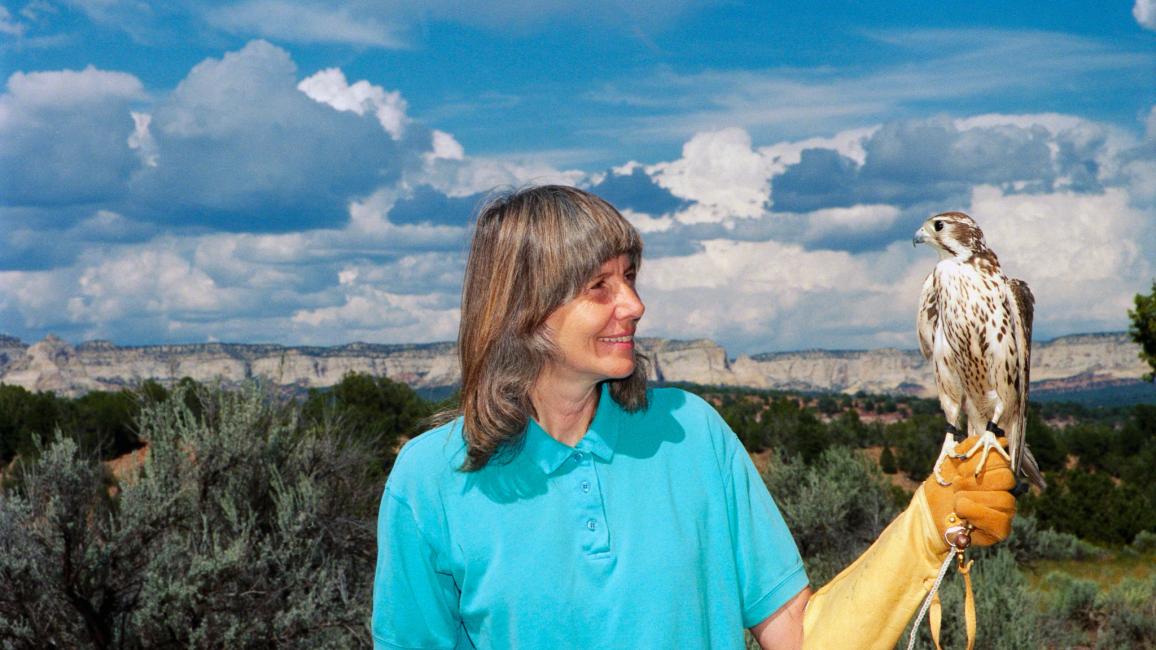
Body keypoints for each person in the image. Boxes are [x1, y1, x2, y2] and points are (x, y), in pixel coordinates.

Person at [372, 185, 1017, 649]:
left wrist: (925, 531)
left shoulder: (691, 431)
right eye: (600, 286)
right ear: (523, 308)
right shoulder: (431, 480)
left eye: (629, 276)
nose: (634, 303)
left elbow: (799, 636)